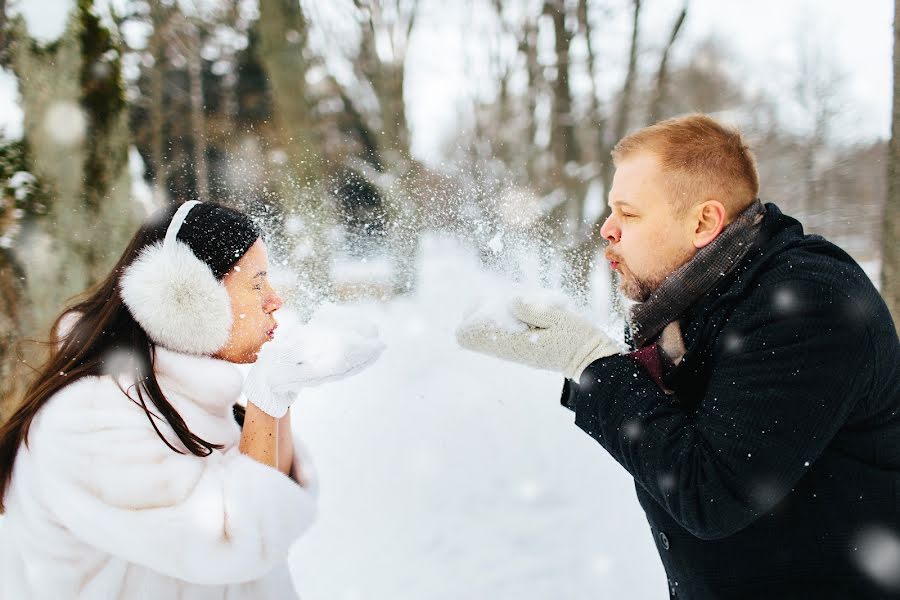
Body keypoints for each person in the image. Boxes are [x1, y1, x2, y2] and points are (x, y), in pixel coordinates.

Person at [457, 114, 900, 598]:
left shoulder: (808, 304)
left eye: (628, 213)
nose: (607, 229)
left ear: (703, 222)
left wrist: (590, 363)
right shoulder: (692, 307)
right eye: (611, 211)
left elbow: (711, 494)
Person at [0, 200, 383, 599]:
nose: (274, 299)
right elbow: (236, 543)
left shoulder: (182, 400)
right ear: (187, 297)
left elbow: (268, 512)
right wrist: (267, 397)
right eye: (256, 284)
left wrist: (279, 391)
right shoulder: (89, 417)